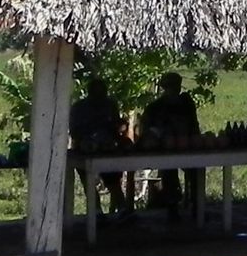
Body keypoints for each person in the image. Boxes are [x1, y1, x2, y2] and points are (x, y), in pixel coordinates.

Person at [140, 72, 201, 222]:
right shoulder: (155, 107)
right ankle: (172, 208)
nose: (173, 90)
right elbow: (146, 131)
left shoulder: (186, 104)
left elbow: (194, 126)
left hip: (186, 147)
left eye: (175, 86)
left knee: (198, 169)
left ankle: (196, 206)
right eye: (170, 86)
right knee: (169, 171)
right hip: (165, 149)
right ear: (164, 88)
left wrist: (195, 140)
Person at [70, 76, 130, 220]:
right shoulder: (79, 107)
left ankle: (122, 209)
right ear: (89, 92)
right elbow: (74, 131)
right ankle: (96, 211)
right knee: (88, 180)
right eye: (97, 92)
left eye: (102, 92)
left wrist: (120, 128)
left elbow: (116, 127)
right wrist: (89, 139)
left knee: (113, 179)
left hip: (107, 148)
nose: (100, 96)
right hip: (85, 147)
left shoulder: (109, 104)